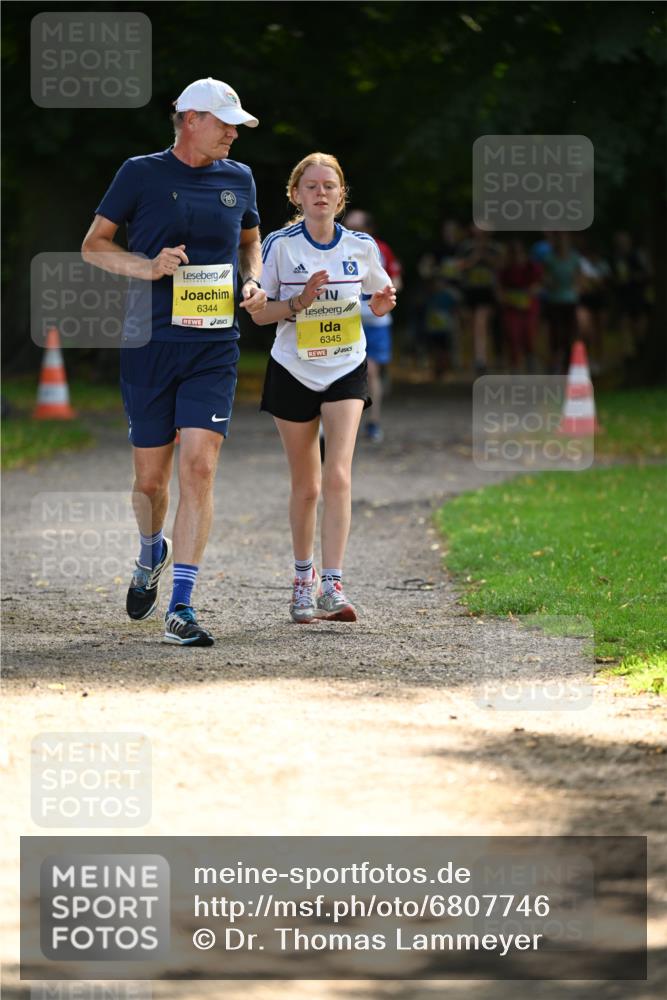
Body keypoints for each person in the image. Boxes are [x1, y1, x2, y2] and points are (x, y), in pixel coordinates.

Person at [81, 78, 267, 647]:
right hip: (149, 344)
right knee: (149, 482)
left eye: (236, 124)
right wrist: (149, 264)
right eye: (224, 122)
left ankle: (181, 606)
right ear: (189, 119)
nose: (234, 133)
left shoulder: (239, 178)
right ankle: (149, 552)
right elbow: (95, 245)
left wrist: (255, 279)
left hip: (214, 346)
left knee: (200, 469)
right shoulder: (140, 172)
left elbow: (250, 241)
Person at [251, 153, 396, 623]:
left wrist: (381, 302)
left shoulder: (361, 245)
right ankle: (301, 580)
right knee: (307, 484)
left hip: (345, 367)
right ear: (296, 194)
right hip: (293, 367)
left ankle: (333, 583)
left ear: (341, 194)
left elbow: (377, 297)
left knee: (338, 474)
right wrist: (298, 301)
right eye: (310, 186)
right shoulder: (279, 246)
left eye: (329, 186)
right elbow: (259, 313)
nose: (320, 193)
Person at [344, 209, 402, 443]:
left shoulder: (381, 249)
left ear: (369, 229)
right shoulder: (339, 246)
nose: (351, 233)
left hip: (376, 321)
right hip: (347, 319)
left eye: (357, 229)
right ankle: (343, 426)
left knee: (372, 371)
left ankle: (373, 422)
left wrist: (387, 293)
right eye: (348, 228)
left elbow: (396, 279)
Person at [457, 224, 503, 374]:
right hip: (470, 292)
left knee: (481, 323)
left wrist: (486, 256)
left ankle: (481, 359)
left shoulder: (495, 248)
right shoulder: (466, 248)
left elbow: (501, 266)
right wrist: (475, 257)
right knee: (472, 327)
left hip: (488, 292)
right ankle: (474, 358)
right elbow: (459, 266)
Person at [498, 241, 543, 372]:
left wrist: (534, 289)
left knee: (529, 333)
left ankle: (530, 361)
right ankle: (515, 365)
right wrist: (503, 296)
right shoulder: (505, 269)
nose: (517, 257)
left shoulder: (532, 267)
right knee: (513, 334)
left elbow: (540, 282)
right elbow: (499, 288)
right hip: (512, 307)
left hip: (529, 306)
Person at [542, 232, 582, 372]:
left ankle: (568, 363)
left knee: (570, 333)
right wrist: (549, 282)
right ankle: (555, 362)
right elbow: (545, 278)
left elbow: (578, 278)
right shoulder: (549, 258)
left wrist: (576, 289)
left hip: (570, 301)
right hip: (555, 301)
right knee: (556, 334)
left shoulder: (574, 257)